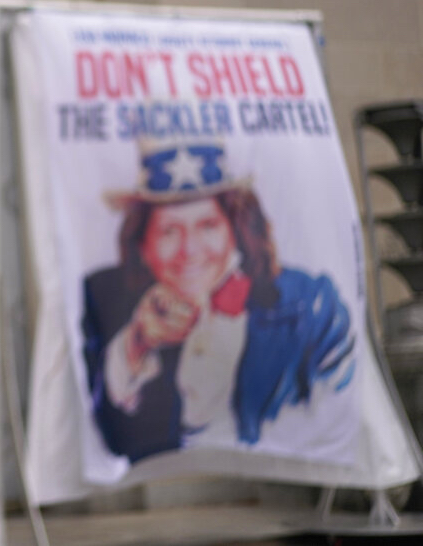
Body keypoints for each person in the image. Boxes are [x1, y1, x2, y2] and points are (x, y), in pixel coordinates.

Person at [82, 140, 355, 463]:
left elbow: (337, 420)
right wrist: (137, 344)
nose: (190, 249)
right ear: (142, 245)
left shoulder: (310, 303)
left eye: (208, 225)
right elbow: (105, 440)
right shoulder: (103, 295)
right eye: (169, 231)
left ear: (234, 230)